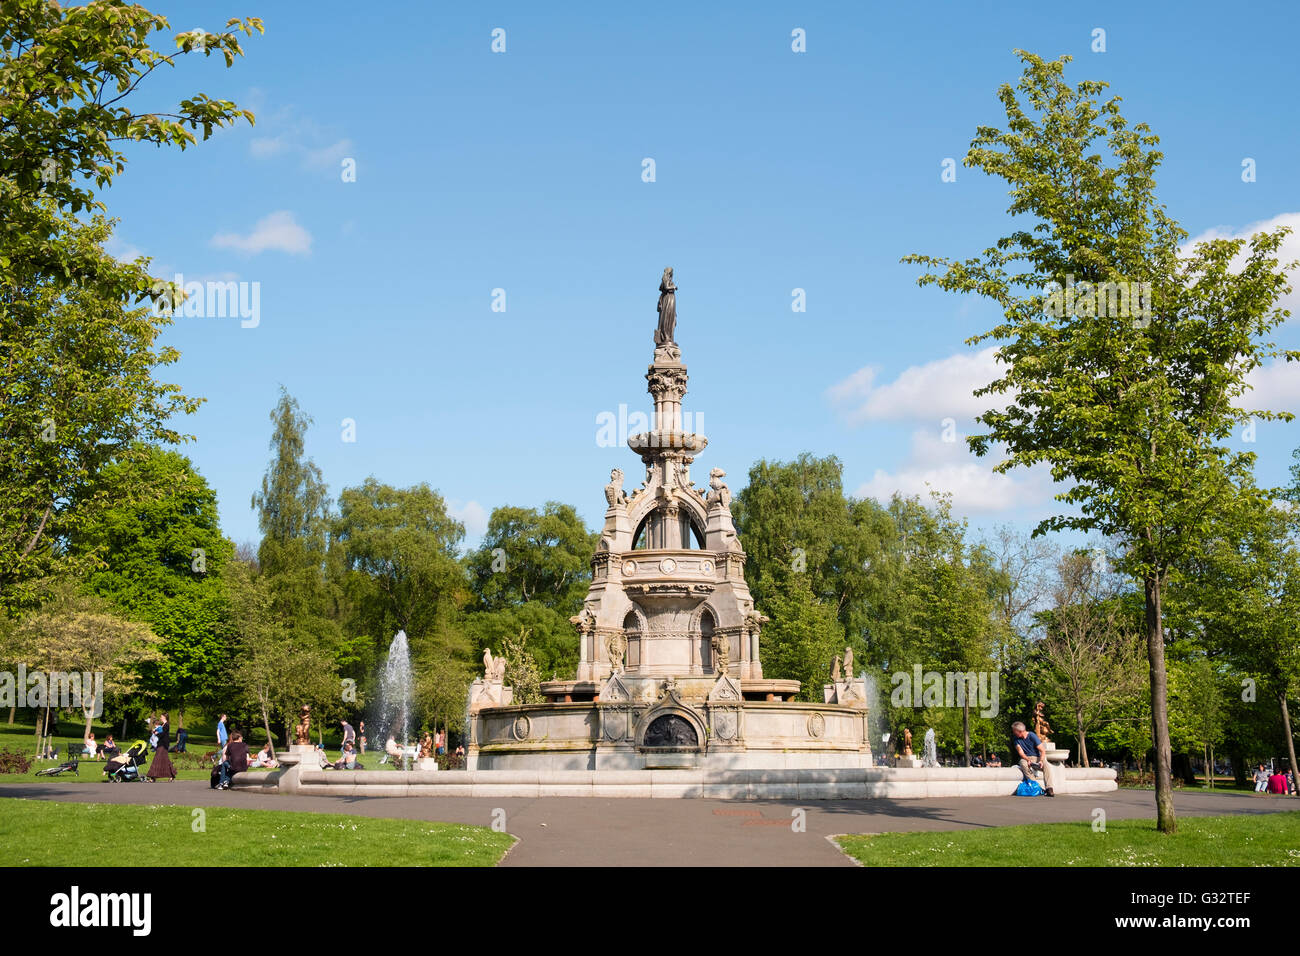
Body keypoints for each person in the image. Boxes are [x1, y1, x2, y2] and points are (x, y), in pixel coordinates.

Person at [1011, 720, 1054, 797]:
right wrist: (1027, 760)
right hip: (1026, 757)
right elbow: (1021, 752)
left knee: (1046, 766)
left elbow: (1042, 750)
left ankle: (1049, 788)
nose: (1013, 733)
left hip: (1036, 757)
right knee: (1022, 762)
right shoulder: (1015, 739)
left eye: (1014, 731)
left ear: (1020, 731)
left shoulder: (1032, 735)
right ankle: (1036, 785)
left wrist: (1041, 761)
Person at [146, 712, 177, 781]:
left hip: (164, 744)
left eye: (161, 716)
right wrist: (155, 732)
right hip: (160, 743)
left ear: (164, 717)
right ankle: (172, 774)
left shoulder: (167, 725)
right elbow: (160, 733)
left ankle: (153, 777)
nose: (160, 718)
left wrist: (157, 733)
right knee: (165, 759)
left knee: (157, 759)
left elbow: (163, 734)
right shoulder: (162, 725)